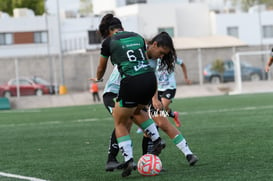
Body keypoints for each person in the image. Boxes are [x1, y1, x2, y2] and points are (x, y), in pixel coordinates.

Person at [90, 14, 171, 177]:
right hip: (148, 81)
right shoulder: (138, 38)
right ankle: (155, 139)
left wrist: (97, 79)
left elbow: (101, 67)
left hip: (119, 89)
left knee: (121, 120)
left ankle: (125, 159)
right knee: (134, 114)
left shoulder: (110, 42)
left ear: (108, 32)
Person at [156, 57, 191, 127]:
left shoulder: (172, 57)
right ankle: (174, 115)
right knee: (163, 108)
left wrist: (186, 77)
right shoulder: (154, 58)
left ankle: (154, 127)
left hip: (170, 87)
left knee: (161, 108)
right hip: (158, 88)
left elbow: (182, 64)